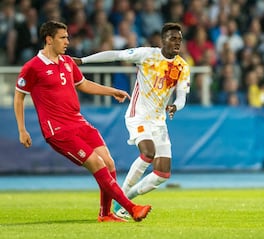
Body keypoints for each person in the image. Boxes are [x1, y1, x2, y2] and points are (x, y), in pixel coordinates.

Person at [13, 20, 151, 223]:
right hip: (58, 130)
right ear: (49, 40)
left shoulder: (67, 62)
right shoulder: (32, 67)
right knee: (97, 163)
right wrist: (22, 130)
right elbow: (19, 96)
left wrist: (111, 90)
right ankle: (131, 208)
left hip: (78, 122)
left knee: (109, 162)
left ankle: (105, 214)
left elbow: (83, 84)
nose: (67, 41)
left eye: (67, 37)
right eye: (63, 37)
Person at [73, 22, 190, 219]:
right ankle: (123, 202)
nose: (177, 42)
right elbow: (115, 55)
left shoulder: (182, 66)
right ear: (163, 40)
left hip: (159, 122)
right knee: (148, 153)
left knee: (162, 175)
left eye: (179, 39)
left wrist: (175, 106)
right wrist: (83, 61)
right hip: (139, 115)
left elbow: (182, 97)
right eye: (173, 38)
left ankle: (124, 200)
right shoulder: (146, 55)